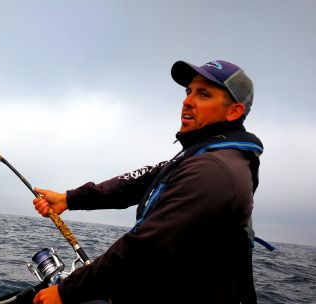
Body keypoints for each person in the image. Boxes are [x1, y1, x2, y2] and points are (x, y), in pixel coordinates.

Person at [32, 60, 263, 304]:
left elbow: (147, 247)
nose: (187, 101)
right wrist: (69, 199)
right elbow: (134, 183)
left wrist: (67, 291)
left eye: (204, 94)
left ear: (234, 112)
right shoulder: (201, 155)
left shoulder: (214, 171)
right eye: (189, 91)